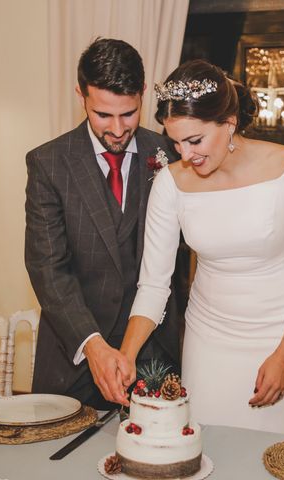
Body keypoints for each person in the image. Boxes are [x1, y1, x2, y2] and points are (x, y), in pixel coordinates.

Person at [109, 59, 284, 435]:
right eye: (175, 142)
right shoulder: (170, 183)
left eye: (195, 140)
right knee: (205, 442)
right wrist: (125, 354)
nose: (185, 154)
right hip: (208, 335)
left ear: (228, 124)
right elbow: (154, 285)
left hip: (282, 330)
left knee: (275, 452)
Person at [24, 38, 180, 409]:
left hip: (152, 356)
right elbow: (48, 269)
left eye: (128, 114)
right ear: (81, 95)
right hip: (73, 358)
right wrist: (92, 345)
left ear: (142, 93)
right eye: (103, 114)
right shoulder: (49, 163)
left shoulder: (171, 154)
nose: (117, 128)